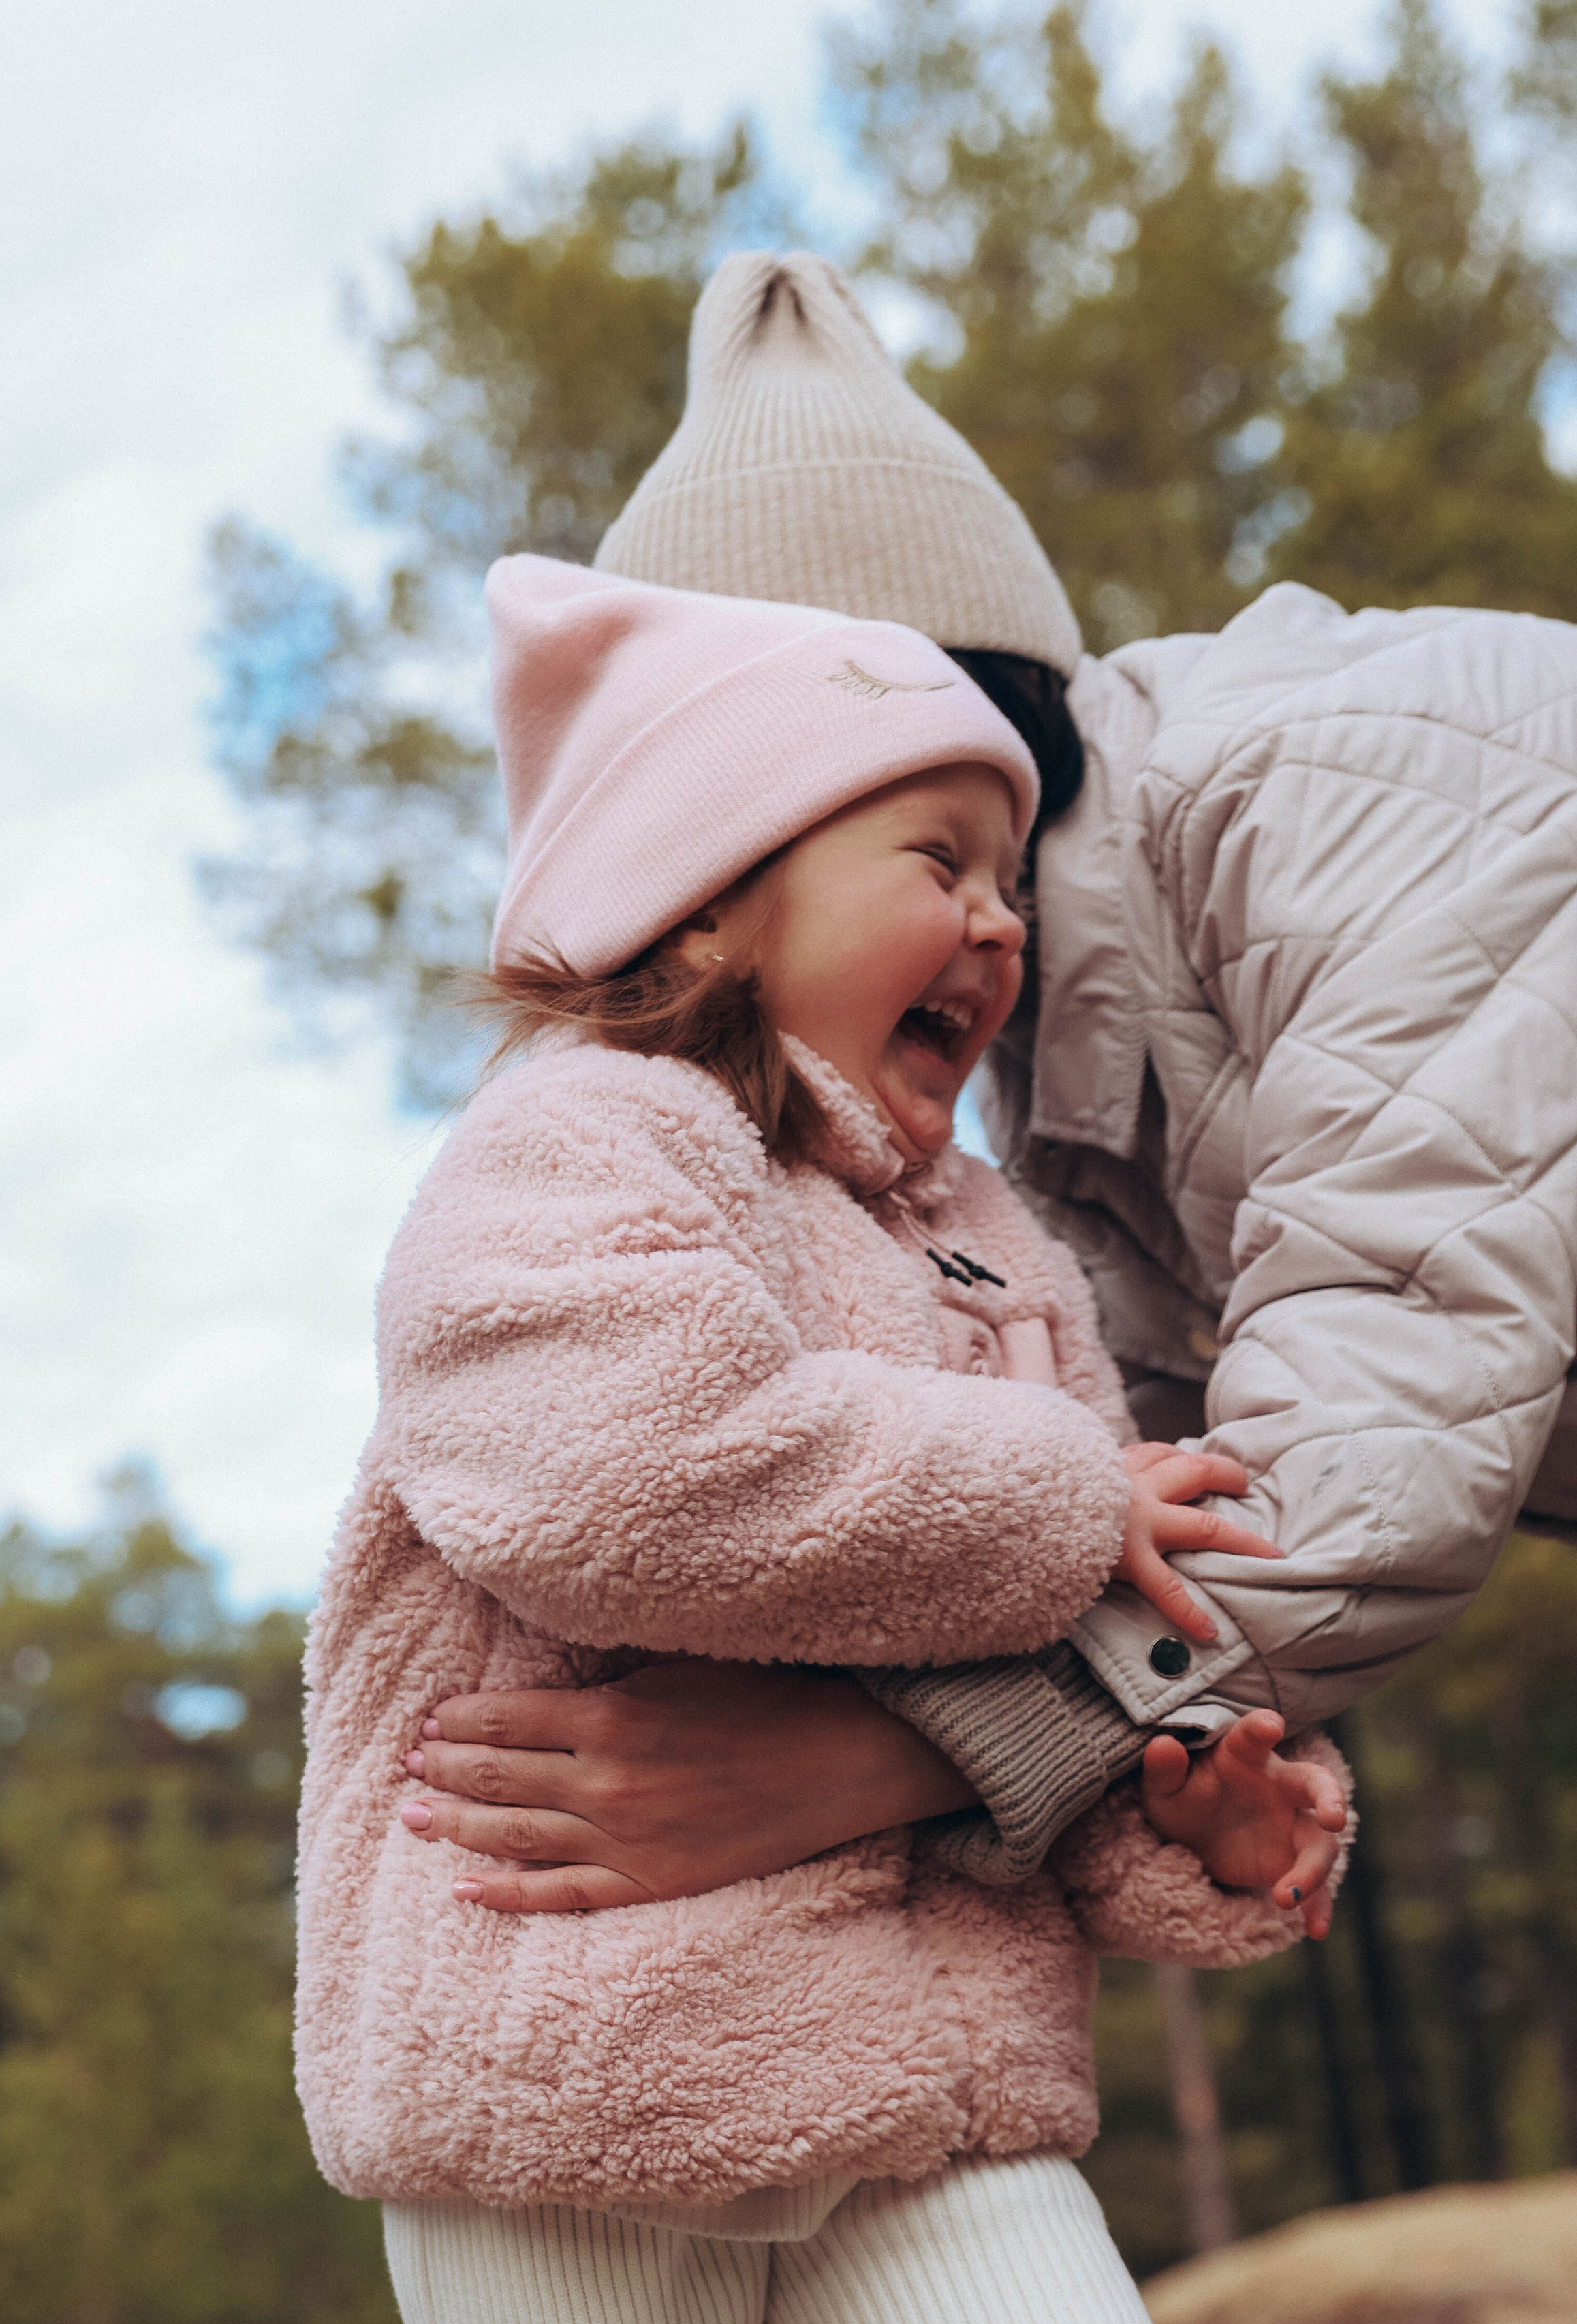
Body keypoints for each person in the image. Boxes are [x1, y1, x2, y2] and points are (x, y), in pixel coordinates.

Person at [396, 249, 1577, 2263]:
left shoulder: (1334, 794)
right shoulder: (1051, 1135)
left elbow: (1378, 1451)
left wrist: (862, 1765)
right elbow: (1154, 1540)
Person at [297, 554, 1351, 2324]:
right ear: (708, 902)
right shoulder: (584, 1135)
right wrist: (1070, 1505)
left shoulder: (1004, 1249)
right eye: (939, 860)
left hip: (946, 2107)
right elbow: (627, 1471)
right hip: (573, 2090)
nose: (1003, 921)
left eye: (1013, 880)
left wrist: (1190, 1827)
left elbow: (1066, 1643)